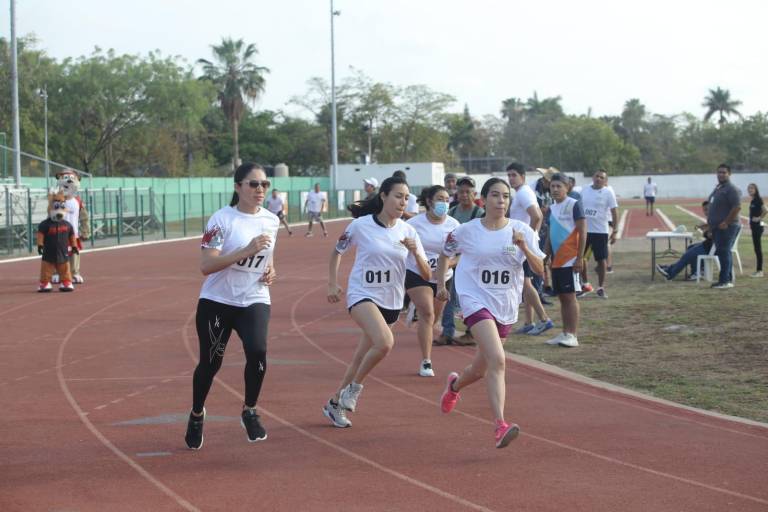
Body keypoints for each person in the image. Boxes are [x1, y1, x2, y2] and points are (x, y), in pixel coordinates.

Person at [435, 177, 545, 448]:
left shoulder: (522, 231)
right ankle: (500, 424)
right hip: (474, 300)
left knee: (479, 369)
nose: (501, 201)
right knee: (498, 360)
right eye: (495, 195)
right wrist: (441, 284)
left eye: (506, 196)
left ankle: (454, 386)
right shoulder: (467, 231)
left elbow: (540, 269)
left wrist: (523, 247)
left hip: (505, 304)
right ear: (483, 200)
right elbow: (445, 254)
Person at [323, 176, 430, 428]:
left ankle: (335, 403)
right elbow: (337, 251)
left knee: (360, 359)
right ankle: (353, 390)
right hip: (362, 294)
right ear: (383, 196)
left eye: (406, 198)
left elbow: (427, 276)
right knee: (385, 343)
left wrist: (415, 251)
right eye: (397, 196)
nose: (402, 202)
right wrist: (332, 282)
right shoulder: (360, 226)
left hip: (391, 302)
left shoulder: (409, 231)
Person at [185, 163, 278, 450]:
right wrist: (246, 250)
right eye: (253, 184)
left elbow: (267, 257)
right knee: (211, 363)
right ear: (238, 187)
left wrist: (270, 270)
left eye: (264, 184)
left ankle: (250, 410)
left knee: (258, 351)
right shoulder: (221, 220)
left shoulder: (271, 220)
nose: (260, 189)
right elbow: (206, 265)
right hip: (218, 302)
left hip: (254, 298)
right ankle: (197, 414)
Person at [405, 185, 460, 376]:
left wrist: (446, 266)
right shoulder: (414, 223)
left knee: (433, 320)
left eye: (447, 199)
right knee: (427, 314)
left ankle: (415, 310)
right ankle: (426, 361)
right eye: (440, 199)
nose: (444, 203)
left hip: (443, 278)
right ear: (429, 201)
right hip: (417, 273)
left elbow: (461, 254)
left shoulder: (454, 225)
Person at [435, 176, 485, 346]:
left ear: (474, 193)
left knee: (469, 299)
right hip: (452, 260)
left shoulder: (479, 214)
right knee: (448, 297)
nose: (464, 195)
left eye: (468, 192)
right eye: (461, 191)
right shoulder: (452, 212)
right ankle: (447, 331)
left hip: (471, 262)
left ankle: (471, 332)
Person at [507, 163, 554, 337]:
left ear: (523, 176)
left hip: (523, 245)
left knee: (526, 283)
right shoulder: (522, 192)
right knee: (524, 282)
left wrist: (529, 238)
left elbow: (537, 216)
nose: (510, 178)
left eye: (514, 175)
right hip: (523, 244)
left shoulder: (524, 193)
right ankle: (529, 322)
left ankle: (544, 319)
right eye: (509, 175)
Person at [544, 173, 586, 347]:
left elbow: (583, 232)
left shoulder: (574, 205)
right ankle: (565, 332)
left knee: (570, 297)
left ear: (567, 187)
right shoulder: (551, 208)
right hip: (557, 260)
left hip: (570, 259)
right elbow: (550, 234)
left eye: (558, 186)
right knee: (562, 297)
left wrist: (579, 258)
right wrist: (545, 255)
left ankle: (573, 335)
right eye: (552, 186)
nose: (555, 189)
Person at [579, 169, 618, 298]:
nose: (599, 179)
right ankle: (585, 284)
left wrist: (615, 231)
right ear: (592, 177)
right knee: (581, 258)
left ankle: (601, 287)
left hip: (600, 231)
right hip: (585, 230)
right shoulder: (584, 189)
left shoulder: (608, 193)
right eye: (597, 176)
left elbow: (614, 212)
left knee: (601, 260)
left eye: (602, 177)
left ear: (605, 181)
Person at [656, 201, 713, 281]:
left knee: (688, 255)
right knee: (690, 247)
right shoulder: (714, 218)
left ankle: (670, 273)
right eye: (704, 210)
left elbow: (711, 235)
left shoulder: (716, 219)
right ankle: (696, 272)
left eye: (707, 209)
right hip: (710, 245)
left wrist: (705, 231)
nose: (706, 212)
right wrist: (706, 227)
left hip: (710, 247)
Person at [706, 164, 742, 289]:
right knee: (723, 252)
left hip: (728, 226)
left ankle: (724, 281)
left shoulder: (732, 189)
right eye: (719, 172)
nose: (721, 174)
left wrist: (726, 222)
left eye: (724, 172)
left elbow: (737, 207)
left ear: (729, 174)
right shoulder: (718, 188)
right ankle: (728, 278)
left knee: (724, 251)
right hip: (717, 227)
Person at [747, 183, 766, 277]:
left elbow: (765, 210)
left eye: (752, 188)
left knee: (758, 249)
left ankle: (760, 271)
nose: (750, 190)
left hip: (758, 227)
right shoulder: (753, 201)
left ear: (756, 190)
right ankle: (759, 270)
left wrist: (759, 218)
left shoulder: (758, 199)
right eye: (749, 189)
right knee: (756, 248)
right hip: (754, 227)